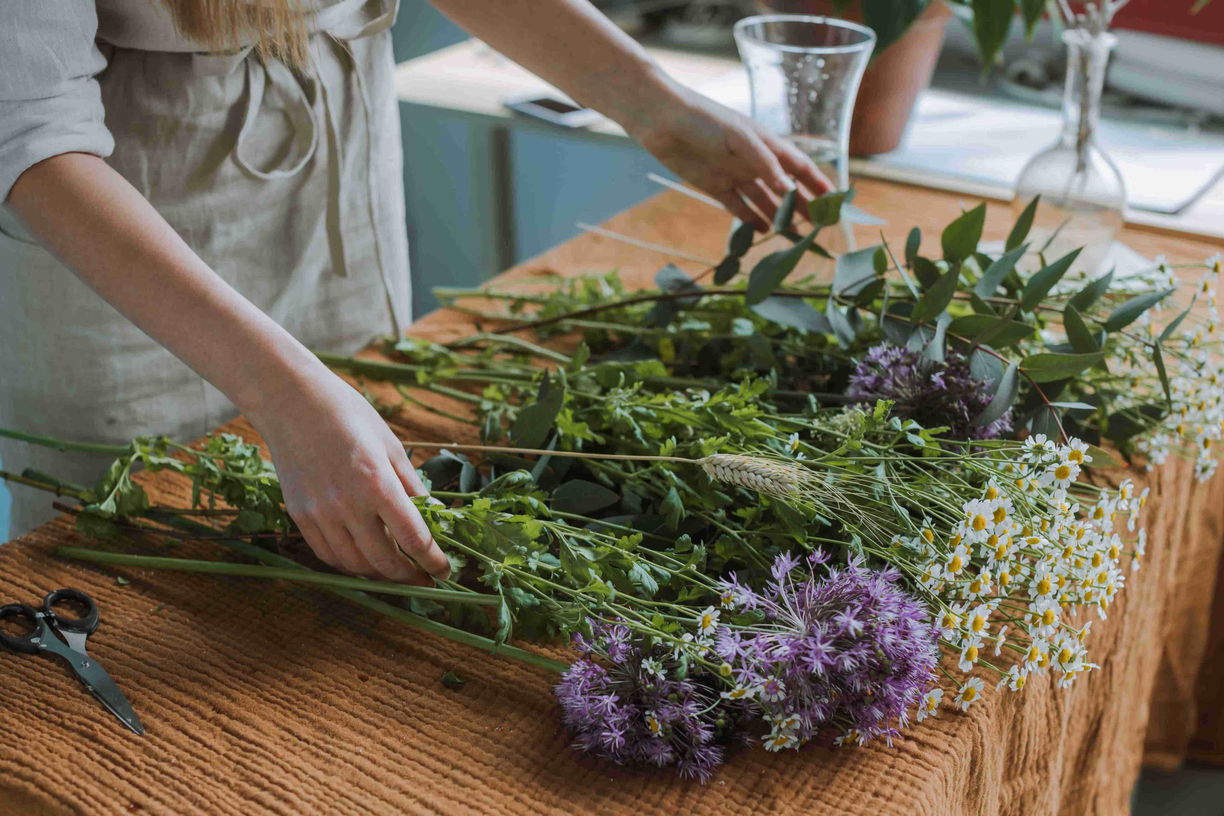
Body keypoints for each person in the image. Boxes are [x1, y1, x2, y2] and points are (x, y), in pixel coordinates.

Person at [0, 0, 828, 584]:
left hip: (338, 169)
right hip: (127, 240)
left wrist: (655, 105)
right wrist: (280, 391)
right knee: (145, 579)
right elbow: (28, 132)